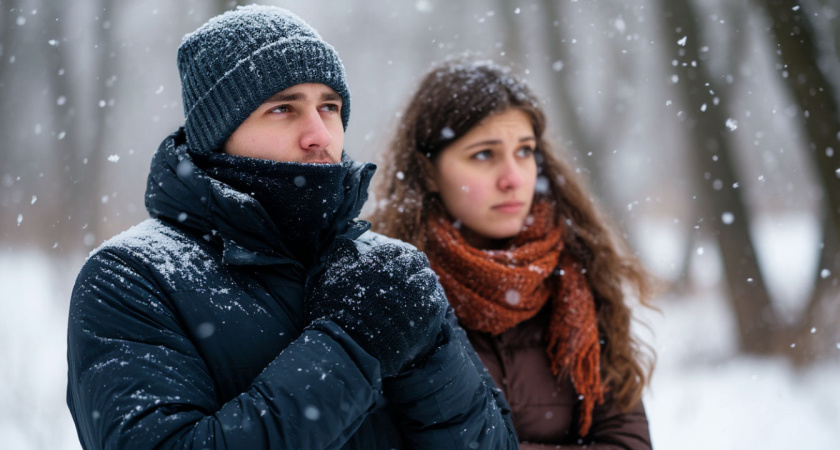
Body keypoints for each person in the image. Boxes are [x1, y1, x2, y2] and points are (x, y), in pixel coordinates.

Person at [66, 7, 518, 449]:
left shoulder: (381, 267)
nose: (319, 133)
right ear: (215, 134)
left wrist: (426, 353)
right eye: (283, 108)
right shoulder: (132, 277)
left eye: (330, 107)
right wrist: (350, 345)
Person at [369, 58, 656, 449]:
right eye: (484, 155)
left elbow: (628, 442)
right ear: (429, 172)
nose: (513, 178)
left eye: (524, 151)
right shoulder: (385, 289)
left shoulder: (577, 272)